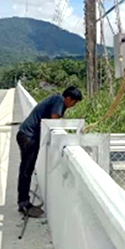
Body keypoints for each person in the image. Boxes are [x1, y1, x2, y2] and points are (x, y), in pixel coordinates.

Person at [16, 86, 83, 217]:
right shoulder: (59, 100)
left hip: (26, 136)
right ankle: (24, 203)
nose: (73, 105)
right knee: (26, 171)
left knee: (26, 170)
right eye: (74, 102)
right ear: (68, 98)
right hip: (28, 137)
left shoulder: (56, 99)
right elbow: (55, 120)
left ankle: (23, 201)